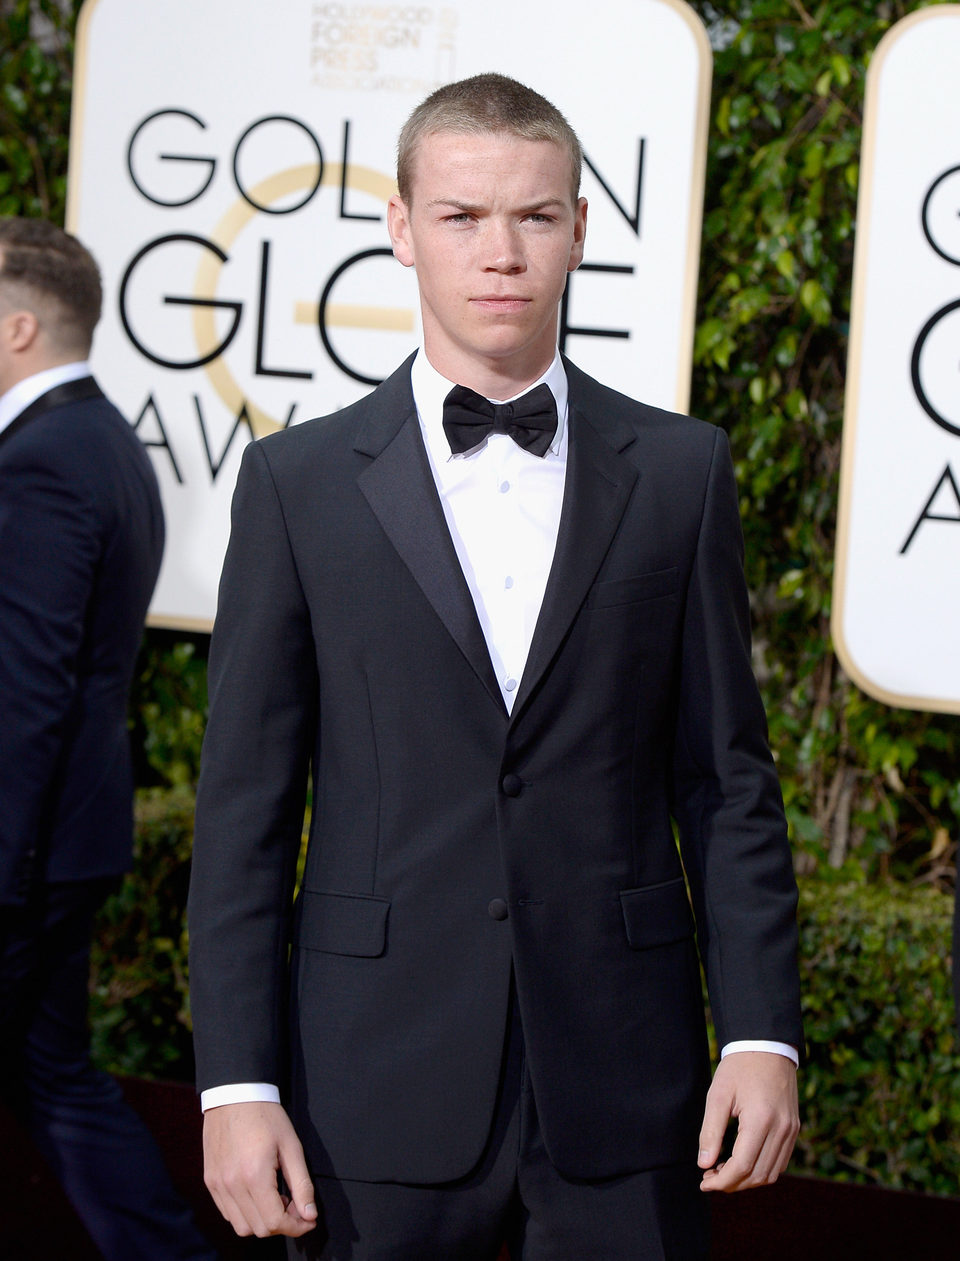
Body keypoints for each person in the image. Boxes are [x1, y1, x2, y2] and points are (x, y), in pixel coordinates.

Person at [188, 74, 803, 1260]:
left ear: (578, 229)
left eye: (533, 216)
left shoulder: (683, 472)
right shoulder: (296, 487)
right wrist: (233, 1085)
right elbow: (245, 814)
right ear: (403, 230)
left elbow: (728, 784)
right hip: (371, 1080)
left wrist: (762, 1035)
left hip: (627, 1087)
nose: (501, 252)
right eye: (464, 217)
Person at [0, 217, 217, 1261]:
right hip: (71, 835)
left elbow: (25, 689)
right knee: (57, 1078)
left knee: (55, 1076)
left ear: (19, 326)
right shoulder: (106, 444)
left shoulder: (41, 460)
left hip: (25, 850)